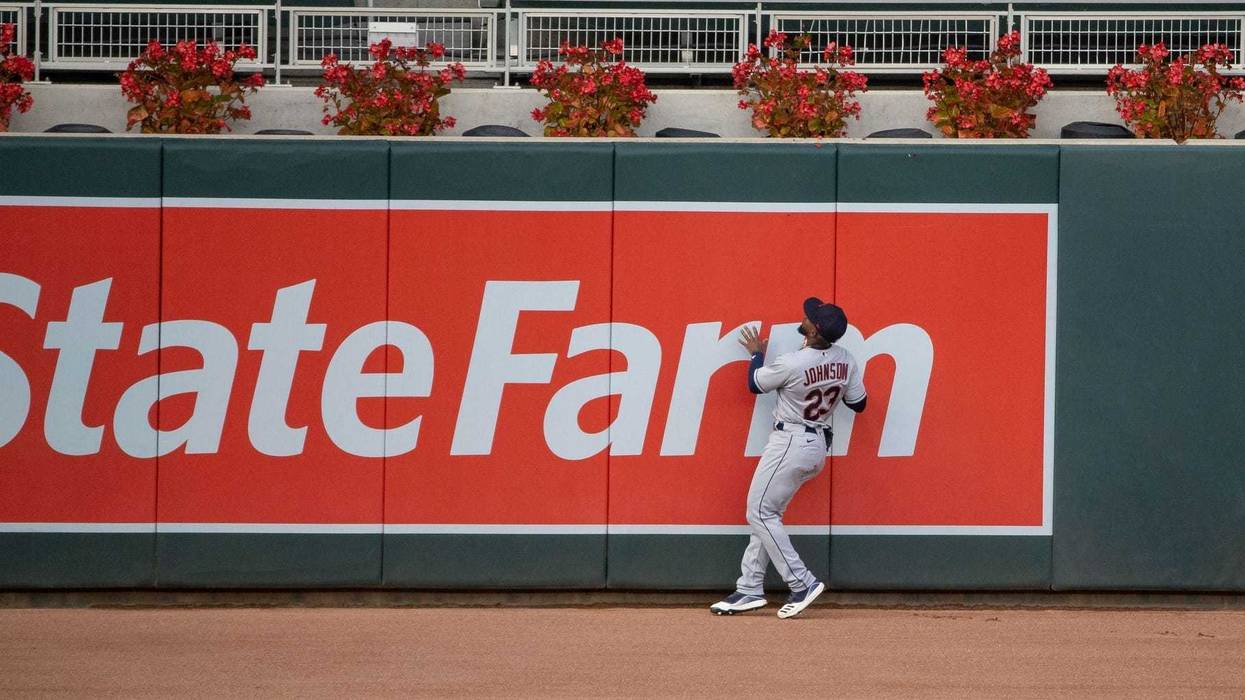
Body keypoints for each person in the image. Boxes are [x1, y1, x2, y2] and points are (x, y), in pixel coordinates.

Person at [710, 297, 867, 619]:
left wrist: (756, 354)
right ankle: (749, 588)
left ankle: (801, 582)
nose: (805, 317)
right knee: (767, 515)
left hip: (790, 441)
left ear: (814, 330)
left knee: (760, 513)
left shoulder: (794, 362)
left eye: (810, 318)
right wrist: (830, 380)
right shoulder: (846, 359)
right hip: (817, 445)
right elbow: (859, 404)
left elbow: (754, 384)